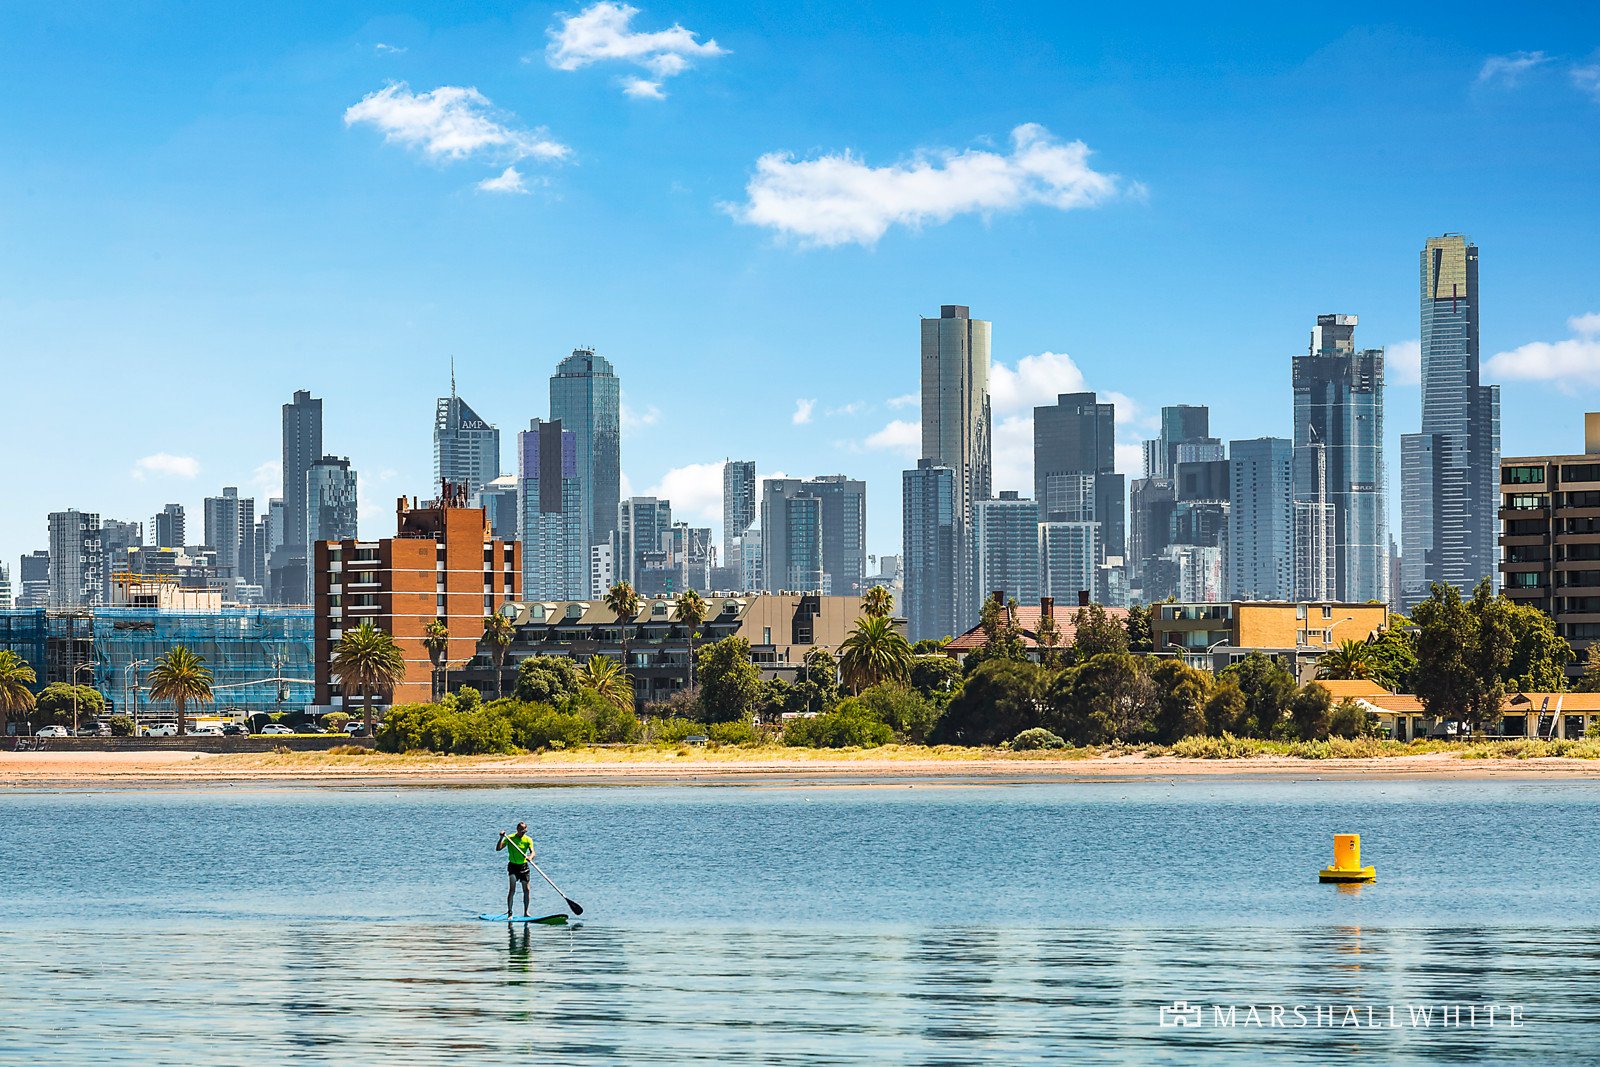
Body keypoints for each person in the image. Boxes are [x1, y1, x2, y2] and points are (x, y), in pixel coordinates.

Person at [496, 822, 536, 917]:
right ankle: (510, 912)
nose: (523, 832)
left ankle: (526, 912)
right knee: (512, 890)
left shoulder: (528, 839)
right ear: (517, 829)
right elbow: (498, 849)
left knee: (526, 890)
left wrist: (530, 857)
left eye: (525, 830)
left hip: (524, 866)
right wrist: (501, 838)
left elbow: (533, 852)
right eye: (521, 830)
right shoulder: (510, 838)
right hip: (513, 867)